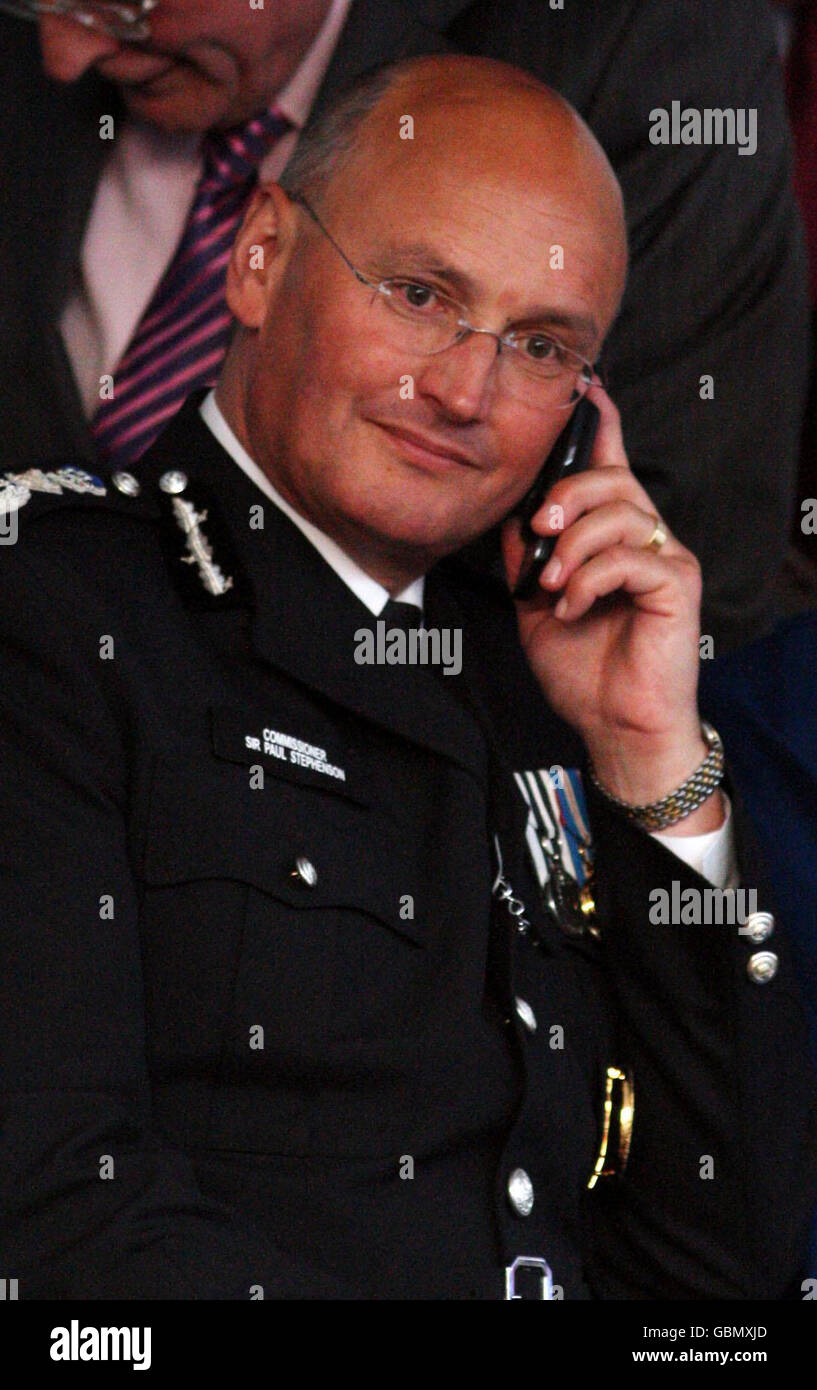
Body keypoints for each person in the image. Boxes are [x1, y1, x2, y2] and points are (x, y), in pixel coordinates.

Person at [0, 55, 814, 1301]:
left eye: (540, 346)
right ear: (262, 255)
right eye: (420, 293)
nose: (461, 391)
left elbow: (728, 1254)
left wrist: (658, 768)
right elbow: (53, 1215)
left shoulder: (559, 673)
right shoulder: (55, 613)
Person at [0, 0, 810, 651]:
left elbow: (689, 547)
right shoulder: (50, 53)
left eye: (131, 9)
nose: (65, 56)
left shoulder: (637, 42)